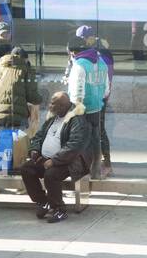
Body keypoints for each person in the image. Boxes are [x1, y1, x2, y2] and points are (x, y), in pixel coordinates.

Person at [20, 91, 91, 222]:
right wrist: (34, 149)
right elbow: (38, 136)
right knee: (26, 169)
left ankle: (59, 210)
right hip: (46, 158)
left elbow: (74, 146)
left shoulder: (77, 120)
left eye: (53, 104)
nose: (49, 106)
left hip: (69, 162)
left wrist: (54, 161)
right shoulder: (53, 117)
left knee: (51, 175)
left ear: (63, 106)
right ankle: (43, 202)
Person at [67, 25, 114, 178]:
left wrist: (75, 105)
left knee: (80, 141)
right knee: (95, 141)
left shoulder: (80, 64)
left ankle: (81, 174)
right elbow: (106, 88)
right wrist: (99, 97)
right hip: (97, 106)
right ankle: (95, 172)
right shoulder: (100, 61)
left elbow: (77, 90)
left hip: (82, 108)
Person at [0, 46, 41, 168]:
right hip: (18, 119)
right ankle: (18, 183)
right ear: (24, 59)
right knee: (19, 158)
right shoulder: (25, 71)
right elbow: (33, 97)